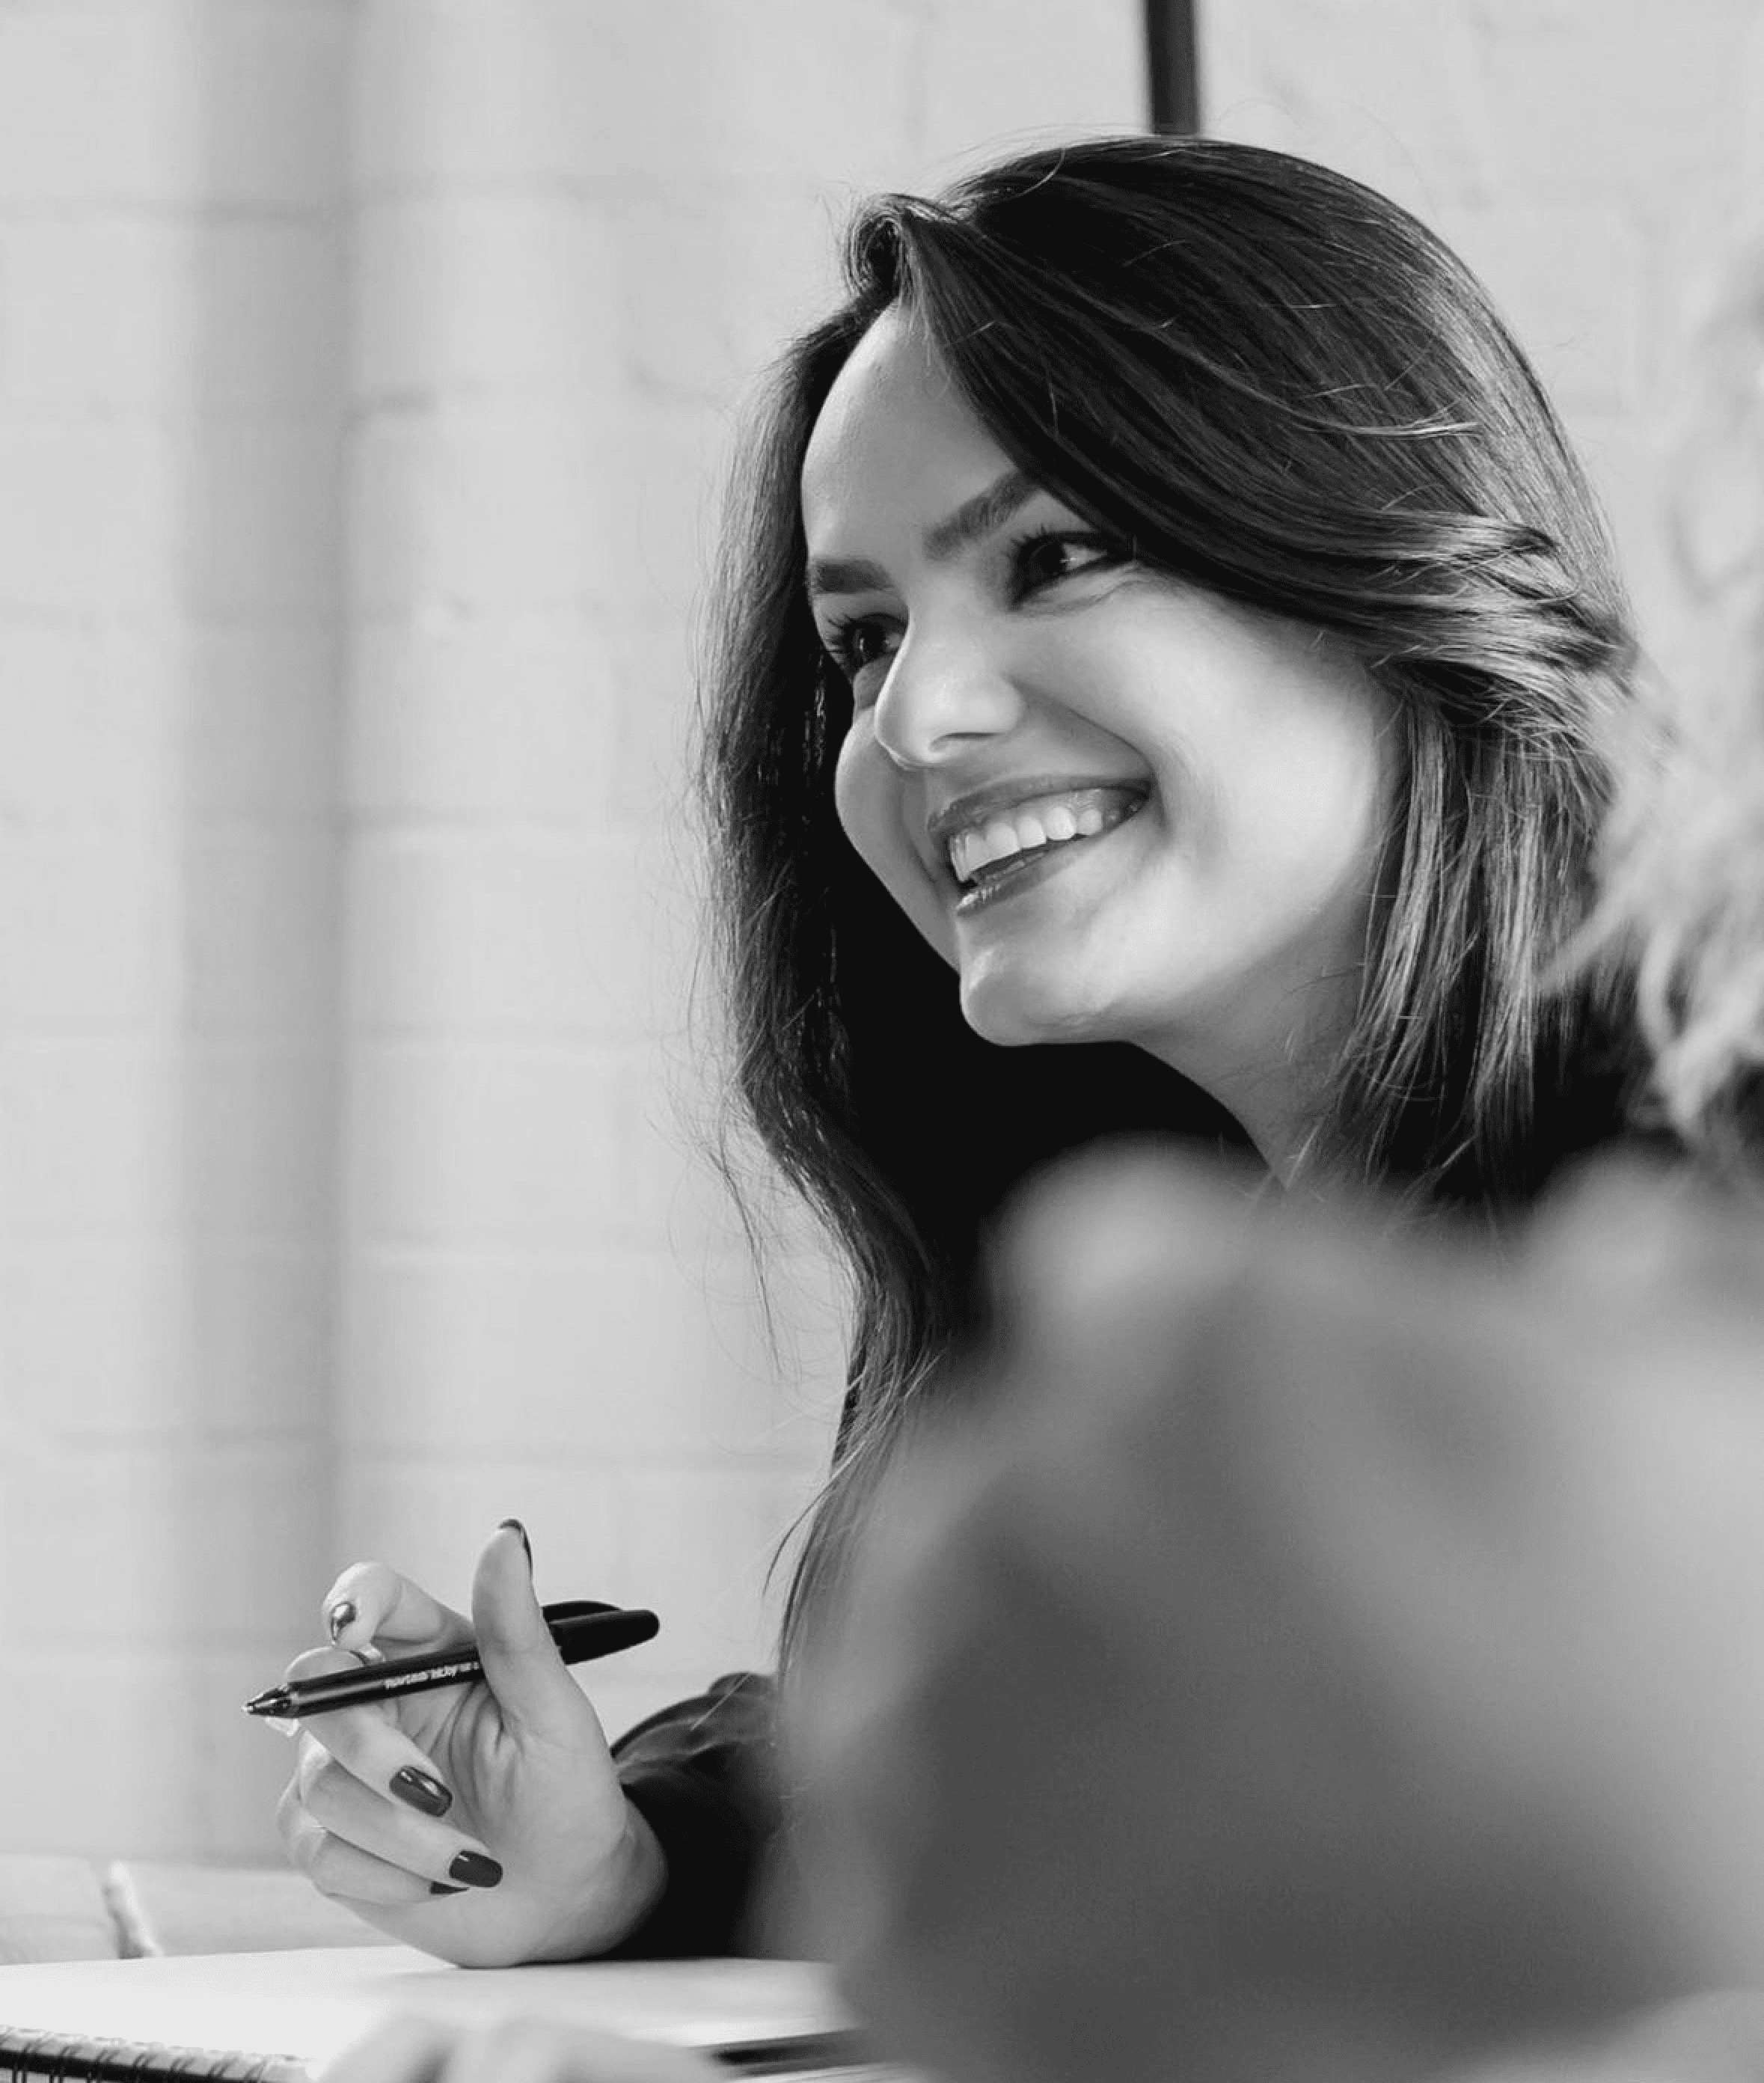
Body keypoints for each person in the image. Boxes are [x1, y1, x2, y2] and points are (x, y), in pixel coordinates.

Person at [273, 132, 1649, 1970]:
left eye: (1057, 555)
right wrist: (621, 1858)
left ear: (1388, 565)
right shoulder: (1081, 1259)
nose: (915, 715)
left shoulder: (1690, 1237)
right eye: (862, 636)